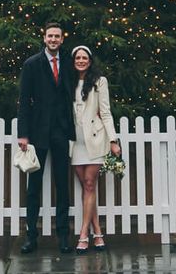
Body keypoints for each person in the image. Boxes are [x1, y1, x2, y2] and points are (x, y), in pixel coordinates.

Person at [17, 22, 76, 254]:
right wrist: (23, 134)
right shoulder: (32, 64)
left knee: (63, 185)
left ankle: (63, 236)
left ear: (62, 39)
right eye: (50, 36)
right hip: (38, 132)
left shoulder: (70, 63)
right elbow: (23, 100)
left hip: (61, 131)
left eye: (57, 36)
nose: (53, 40)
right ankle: (31, 236)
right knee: (34, 188)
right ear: (44, 38)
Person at [70, 46, 121, 254]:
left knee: (90, 184)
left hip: (95, 139)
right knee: (86, 187)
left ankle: (84, 234)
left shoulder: (100, 81)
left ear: (90, 61)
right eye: (78, 58)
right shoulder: (68, 81)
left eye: (85, 58)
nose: (81, 61)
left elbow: (106, 113)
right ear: (73, 61)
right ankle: (98, 231)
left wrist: (113, 140)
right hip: (75, 141)